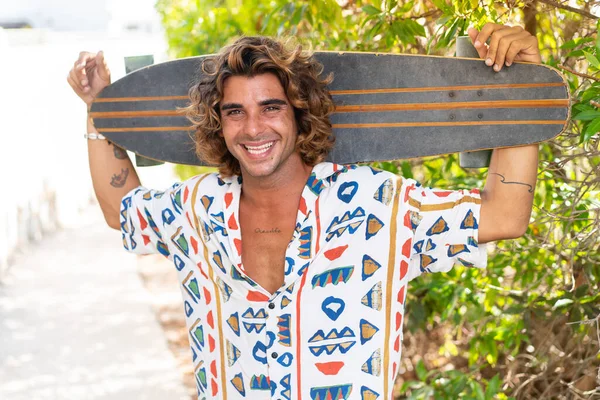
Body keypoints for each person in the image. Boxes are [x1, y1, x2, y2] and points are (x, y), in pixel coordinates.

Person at [67, 23, 541, 399]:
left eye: (271, 107)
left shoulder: (375, 205)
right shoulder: (198, 209)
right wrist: (97, 109)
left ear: (299, 112)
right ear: (220, 122)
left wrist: (526, 87)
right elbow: (121, 209)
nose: (253, 128)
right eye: (234, 112)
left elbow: (503, 215)